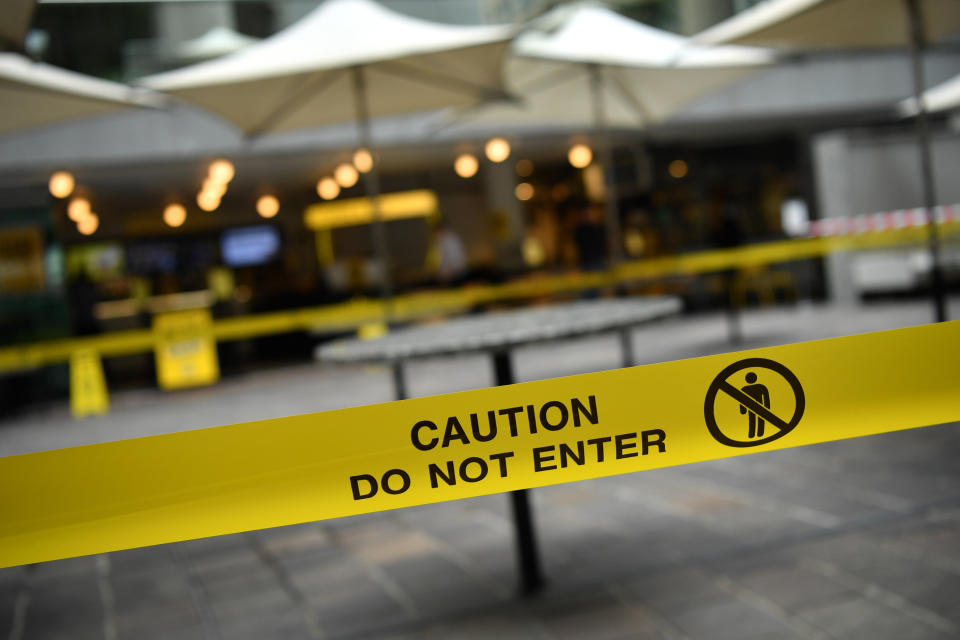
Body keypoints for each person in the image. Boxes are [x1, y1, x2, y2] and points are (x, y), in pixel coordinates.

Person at [739, 372, 770, 438]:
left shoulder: (745, 389)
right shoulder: (761, 387)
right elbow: (766, 398)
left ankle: (753, 434)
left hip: (754, 408)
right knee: (757, 420)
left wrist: (743, 410)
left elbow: (742, 401)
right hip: (757, 407)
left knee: (752, 420)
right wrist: (767, 408)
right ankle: (758, 434)